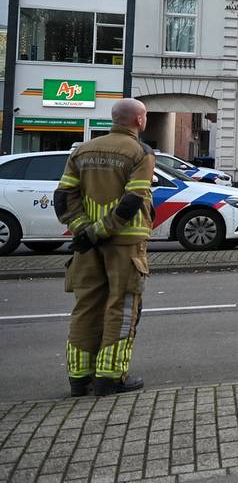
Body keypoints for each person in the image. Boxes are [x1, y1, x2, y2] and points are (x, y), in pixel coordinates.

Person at [54, 99, 154, 396]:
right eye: (145, 116)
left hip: (85, 246)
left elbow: (63, 196)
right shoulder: (140, 152)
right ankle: (110, 378)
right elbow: (133, 199)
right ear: (138, 120)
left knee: (85, 307)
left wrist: (82, 229)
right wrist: (101, 230)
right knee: (120, 308)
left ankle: (79, 377)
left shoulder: (81, 151)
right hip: (124, 245)